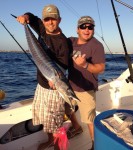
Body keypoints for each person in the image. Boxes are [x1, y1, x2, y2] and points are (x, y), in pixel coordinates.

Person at [16, 4, 82, 150]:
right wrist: (25, 18)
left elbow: (63, 68)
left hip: (54, 89)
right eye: (47, 19)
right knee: (46, 119)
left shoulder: (63, 43)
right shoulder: (41, 27)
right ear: (44, 20)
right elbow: (31, 17)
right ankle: (50, 140)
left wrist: (56, 82)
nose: (50, 22)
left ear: (59, 20)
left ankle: (57, 147)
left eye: (54, 19)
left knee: (56, 123)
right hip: (42, 85)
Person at [68, 16, 105, 150]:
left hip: (86, 89)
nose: (87, 29)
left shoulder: (96, 45)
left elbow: (101, 68)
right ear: (77, 29)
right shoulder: (70, 41)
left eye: (90, 27)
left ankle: (96, 145)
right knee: (67, 109)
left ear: (93, 30)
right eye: (83, 26)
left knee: (90, 120)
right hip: (69, 86)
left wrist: (85, 65)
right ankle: (76, 127)